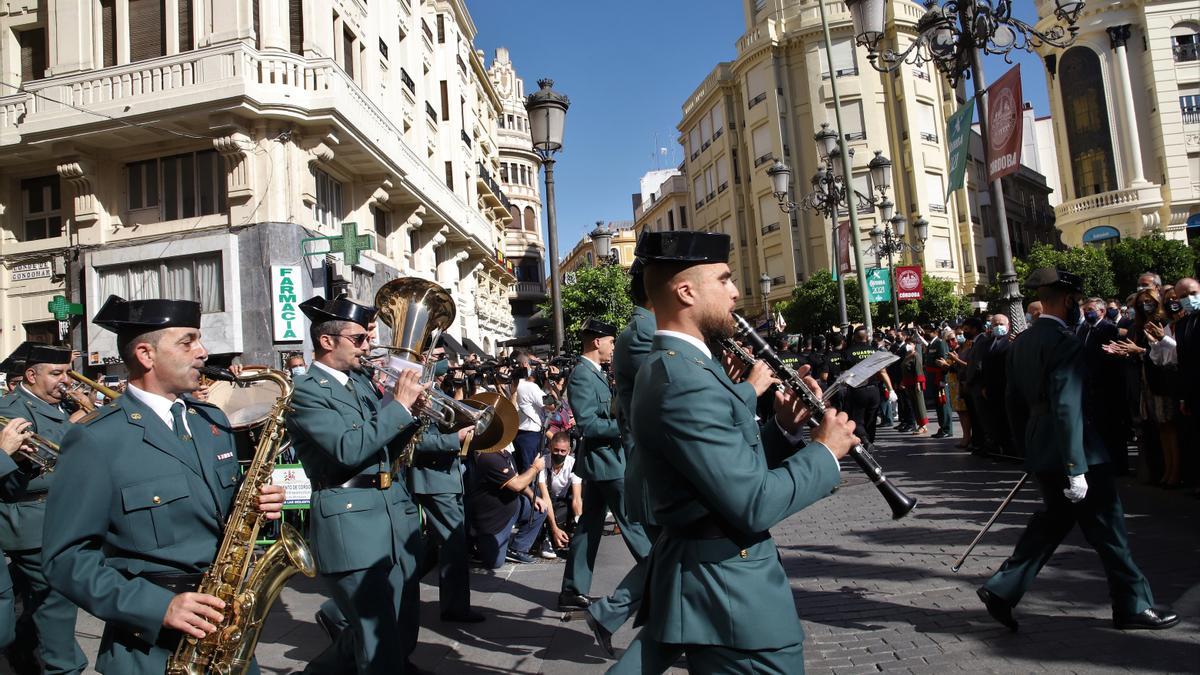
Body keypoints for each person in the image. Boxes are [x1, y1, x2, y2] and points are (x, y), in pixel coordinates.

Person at [617, 229, 859, 673]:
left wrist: (783, 430)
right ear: (686, 291)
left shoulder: (690, 367)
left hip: (715, 582)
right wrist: (824, 452)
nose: (736, 292)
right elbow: (752, 503)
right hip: (732, 593)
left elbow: (720, 467)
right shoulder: (682, 380)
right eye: (724, 280)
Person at [40, 296, 286, 674]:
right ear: (146, 354)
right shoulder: (97, 439)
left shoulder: (210, 420)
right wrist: (159, 608)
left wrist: (257, 506)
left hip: (227, 632)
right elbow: (66, 560)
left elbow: (217, 514)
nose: (203, 352)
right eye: (188, 342)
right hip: (150, 649)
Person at [977, 269, 1179, 633]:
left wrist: (1029, 451)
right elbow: (1067, 405)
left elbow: (1012, 403)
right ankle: (1133, 604)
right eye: (1075, 302)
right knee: (1109, 529)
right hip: (1077, 452)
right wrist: (1075, 465)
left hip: (1043, 447)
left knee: (1054, 522)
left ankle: (1003, 590)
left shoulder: (1021, 341)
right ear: (1068, 300)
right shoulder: (1065, 341)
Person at [284, 294, 426, 675]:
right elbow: (348, 449)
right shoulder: (306, 390)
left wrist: (413, 415)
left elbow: (384, 448)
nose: (369, 346)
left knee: (400, 622)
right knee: (376, 639)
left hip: (391, 511)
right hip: (350, 519)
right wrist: (398, 408)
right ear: (327, 342)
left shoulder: (359, 383)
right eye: (360, 338)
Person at [582, 257, 658, 659]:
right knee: (655, 550)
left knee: (665, 555)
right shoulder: (643, 334)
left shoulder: (636, 338)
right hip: (618, 463)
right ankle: (608, 613)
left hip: (622, 462)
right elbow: (593, 424)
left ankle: (607, 614)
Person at [0, 342, 89, 674]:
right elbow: (40, 460)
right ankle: (64, 667)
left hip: (62, 516)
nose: (65, 380)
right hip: (32, 521)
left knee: (31, 603)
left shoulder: (60, 404)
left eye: (67, 372)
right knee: (56, 598)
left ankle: (25, 657)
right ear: (31, 375)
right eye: (56, 373)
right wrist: (82, 423)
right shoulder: (11, 408)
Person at [558, 319, 651, 611]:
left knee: (588, 527)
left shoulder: (596, 372)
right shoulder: (582, 376)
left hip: (603, 462)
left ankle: (572, 591)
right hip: (607, 464)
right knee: (632, 521)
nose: (614, 347)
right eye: (611, 341)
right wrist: (627, 424)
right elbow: (588, 423)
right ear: (597, 342)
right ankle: (659, 581)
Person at [409, 421, 482, 623]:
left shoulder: (433, 394)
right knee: (454, 543)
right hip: (434, 480)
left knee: (434, 547)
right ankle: (455, 608)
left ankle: (395, 586)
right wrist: (454, 438)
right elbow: (417, 441)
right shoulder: (418, 396)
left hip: (448, 477)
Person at [466, 445, 548, 568]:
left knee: (539, 510)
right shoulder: (489, 457)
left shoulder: (506, 455)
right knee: (494, 563)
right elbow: (517, 485)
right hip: (492, 520)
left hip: (512, 507)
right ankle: (478, 545)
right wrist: (535, 468)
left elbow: (516, 478)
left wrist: (533, 496)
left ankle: (517, 548)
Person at [841, 326, 893, 447]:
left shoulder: (847, 352)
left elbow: (844, 374)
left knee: (857, 419)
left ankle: (865, 440)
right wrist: (890, 389)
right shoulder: (874, 351)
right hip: (874, 390)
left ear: (854, 337)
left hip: (857, 390)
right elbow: (883, 372)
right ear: (867, 337)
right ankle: (870, 441)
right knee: (872, 419)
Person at [536, 431, 583, 554]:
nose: (559, 454)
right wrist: (554, 529)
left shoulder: (573, 464)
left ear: (568, 451)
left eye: (563, 451)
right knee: (540, 506)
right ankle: (547, 536)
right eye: (556, 450)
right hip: (546, 499)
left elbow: (577, 498)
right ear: (550, 447)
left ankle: (573, 533)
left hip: (563, 500)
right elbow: (545, 497)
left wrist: (579, 522)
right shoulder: (543, 462)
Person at [513, 364, 549, 473]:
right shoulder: (530, 386)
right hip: (530, 435)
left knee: (521, 470)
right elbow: (551, 404)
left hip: (518, 433)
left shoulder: (514, 384)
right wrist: (550, 385)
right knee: (530, 471)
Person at [925, 326, 955, 439]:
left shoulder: (940, 343)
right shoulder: (931, 344)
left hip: (940, 378)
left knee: (943, 404)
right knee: (938, 405)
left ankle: (947, 429)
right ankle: (942, 427)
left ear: (935, 332)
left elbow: (944, 362)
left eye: (928, 331)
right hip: (933, 378)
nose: (925, 333)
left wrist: (943, 380)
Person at [900, 335, 928, 435]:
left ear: (914, 345)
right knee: (914, 405)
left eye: (910, 344)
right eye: (907, 343)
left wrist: (918, 383)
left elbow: (918, 370)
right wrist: (903, 381)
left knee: (919, 404)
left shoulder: (916, 355)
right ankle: (919, 424)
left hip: (915, 383)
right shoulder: (907, 355)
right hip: (908, 383)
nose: (908, 345)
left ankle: (923, 425)